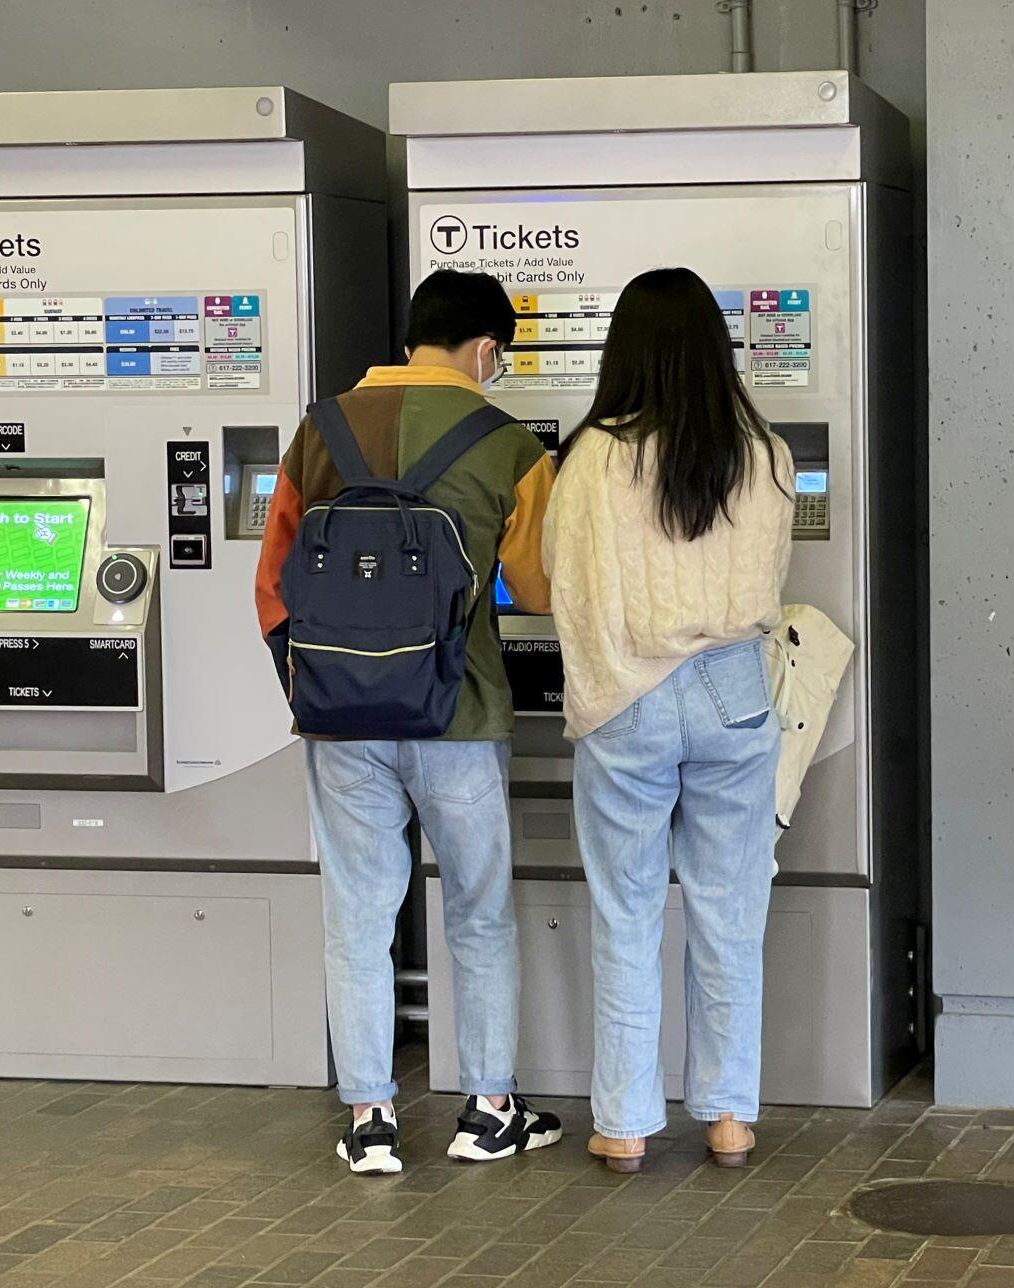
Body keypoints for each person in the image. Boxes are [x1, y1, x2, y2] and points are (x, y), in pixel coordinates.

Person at [256, 270, 564, 1175]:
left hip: (340, 723)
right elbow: (538, 587)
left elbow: (273, 585)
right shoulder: (509, 445)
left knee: (357, 915)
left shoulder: (320, 428)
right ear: (483, 350)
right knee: (478, 910)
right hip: (460, 712)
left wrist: (314, 681)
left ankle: (370, 1120)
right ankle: (488, 1110)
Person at [543, 267, 793, 1173]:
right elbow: (770, 582)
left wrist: (603, 682)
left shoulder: (594, 457)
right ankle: (729, 1118)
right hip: (734, 690)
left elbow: (565, 587)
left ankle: (624, 1123)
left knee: (627, 912)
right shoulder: (763, 451)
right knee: (732, 914)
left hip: (628, 692)